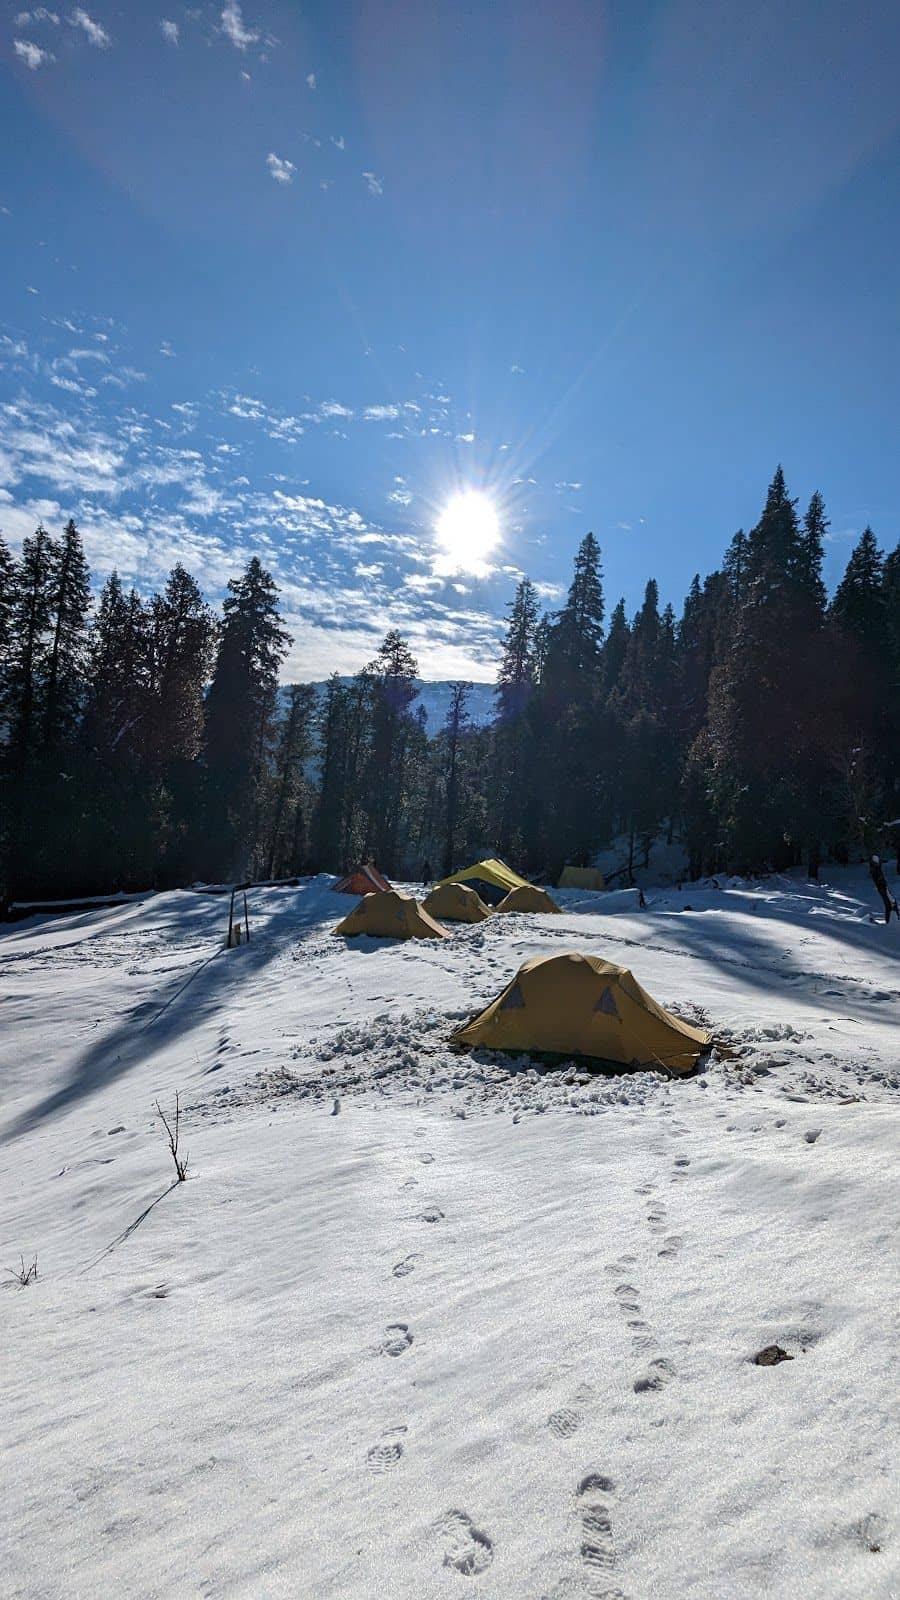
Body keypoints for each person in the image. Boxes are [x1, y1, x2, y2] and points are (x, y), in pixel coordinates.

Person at [869, 854, 899, 924]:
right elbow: (877, 876)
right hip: (882, 888)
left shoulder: (876, 867)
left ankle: (892, 919)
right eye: (877, 860)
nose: (878, 861)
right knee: (891, 904)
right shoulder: (874, 869)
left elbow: (880, 863)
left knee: (890, 904)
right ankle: (892, 920)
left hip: (883, 887)